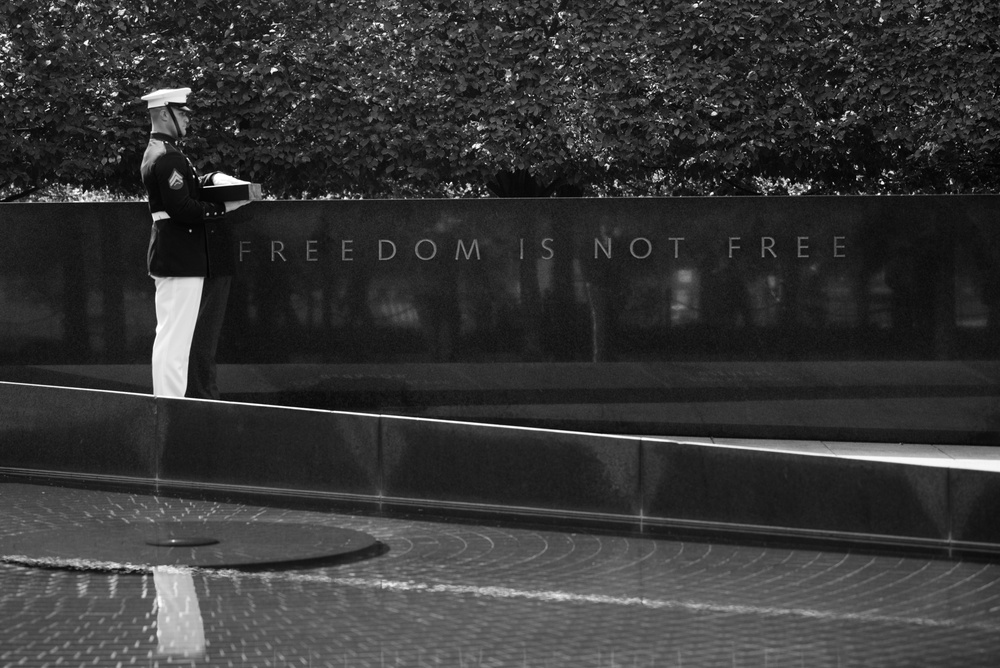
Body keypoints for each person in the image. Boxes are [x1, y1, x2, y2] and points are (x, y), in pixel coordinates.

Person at [139, 86, 251, 399]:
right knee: (175, 342)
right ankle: (170, 409)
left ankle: (169, 405)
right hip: (180, 256)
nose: (188, 119)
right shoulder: (167, 157)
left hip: (177, 254)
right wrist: (224, 206)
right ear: (164, 114)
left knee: (173, 339)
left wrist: (211, 182)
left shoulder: (164, 153)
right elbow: (182, 209)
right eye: (182, 113)